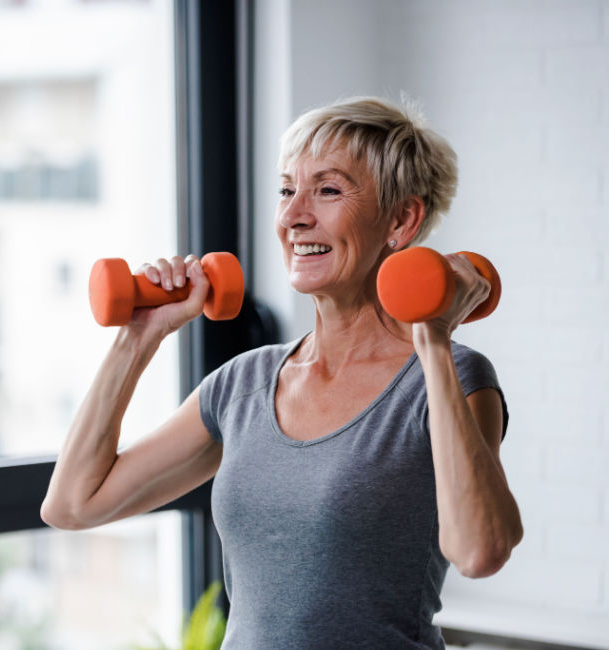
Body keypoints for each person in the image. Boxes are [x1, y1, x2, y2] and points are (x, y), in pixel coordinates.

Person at [41, 96, 523, 649]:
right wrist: (138, 337)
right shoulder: (243, 385)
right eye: (287, 189)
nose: (295, 215)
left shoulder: (452, 378)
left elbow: (481, 551)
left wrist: (433, 338)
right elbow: (72, 505)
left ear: (401, 220)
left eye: (328, 189)